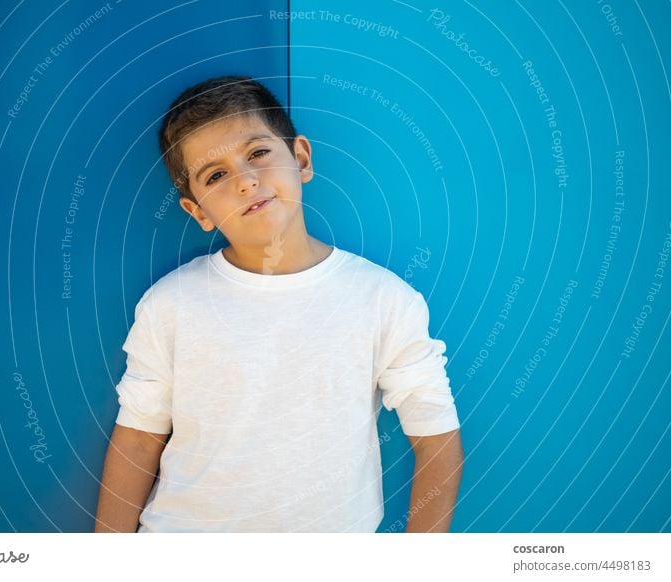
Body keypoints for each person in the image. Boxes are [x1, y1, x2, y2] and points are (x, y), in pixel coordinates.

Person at [94, 75, 463, 533]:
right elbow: (138, 438)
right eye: (216, 175)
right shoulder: (170, 304)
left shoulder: (384, 300)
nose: (247, 182)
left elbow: (437, 438)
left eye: (257, 153)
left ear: (301, 159)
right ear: (199, 212)